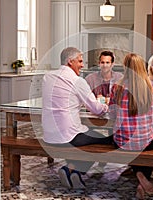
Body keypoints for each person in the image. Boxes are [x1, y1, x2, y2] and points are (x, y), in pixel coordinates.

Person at [42, 47, 113, 189]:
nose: (82, 65)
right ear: (70, 62)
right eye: (80, 61)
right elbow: (97, 110)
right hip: (68, 136)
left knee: (90, 133)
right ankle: (72, 169)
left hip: (48, 135)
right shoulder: (77, 81)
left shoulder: (47, 77)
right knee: (107, 141)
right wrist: (106, 105)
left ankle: (73, 169)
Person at [108, 53, 153, 199]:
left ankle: (138, 172)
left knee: (122, 140)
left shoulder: (116, 88)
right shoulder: (150, 86)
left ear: (125, 68)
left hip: (123, 142)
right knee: (152, 143)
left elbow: (111, 115)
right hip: (145, 142)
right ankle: (141, 180)